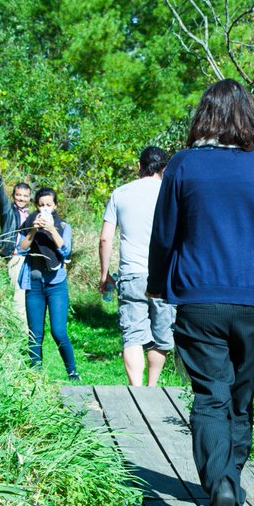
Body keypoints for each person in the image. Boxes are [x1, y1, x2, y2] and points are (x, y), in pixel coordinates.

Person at [148, 79, 254, 506]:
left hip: (199, 297)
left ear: (203, 117)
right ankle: (230, 479)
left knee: (210, 396)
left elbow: (165, 233)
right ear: (248, 116)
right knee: (240, 399)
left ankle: (220, 484)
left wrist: (158, 283)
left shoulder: (183, 166)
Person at [99, 146, 176, 386]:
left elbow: (105, 238)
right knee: (161, 335)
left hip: (132, 274)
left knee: (132, 335)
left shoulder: (121, 193)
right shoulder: (171, 194)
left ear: (139, 166)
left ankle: (137, 389)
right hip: (163, 274)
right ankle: (152, 387)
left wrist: (104, 275)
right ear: (164, 168)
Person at [18, 186, 79, 380]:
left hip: (56, 285)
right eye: (41, 205)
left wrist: (51, 229)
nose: (45, 208)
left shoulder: (63, 226)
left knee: (58, 331)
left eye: (48, 205)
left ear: (55, 206)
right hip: (34, 284)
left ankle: (72, 372)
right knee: (35, 333)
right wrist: (34, 230)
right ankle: (34, 374)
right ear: (36, 206)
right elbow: (21, 249)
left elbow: (66, 251)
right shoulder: (30, 224)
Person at [0, 163, 31, 323]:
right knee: (18, 297)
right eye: (18, 195)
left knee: (28, 296)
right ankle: (21, 333)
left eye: (25, 196)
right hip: (15, 257)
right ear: (13, 196)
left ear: (29, 198)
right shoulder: (8, 211)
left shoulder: (32, 215)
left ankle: (28, 329)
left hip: (29, 260)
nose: (21, 198)